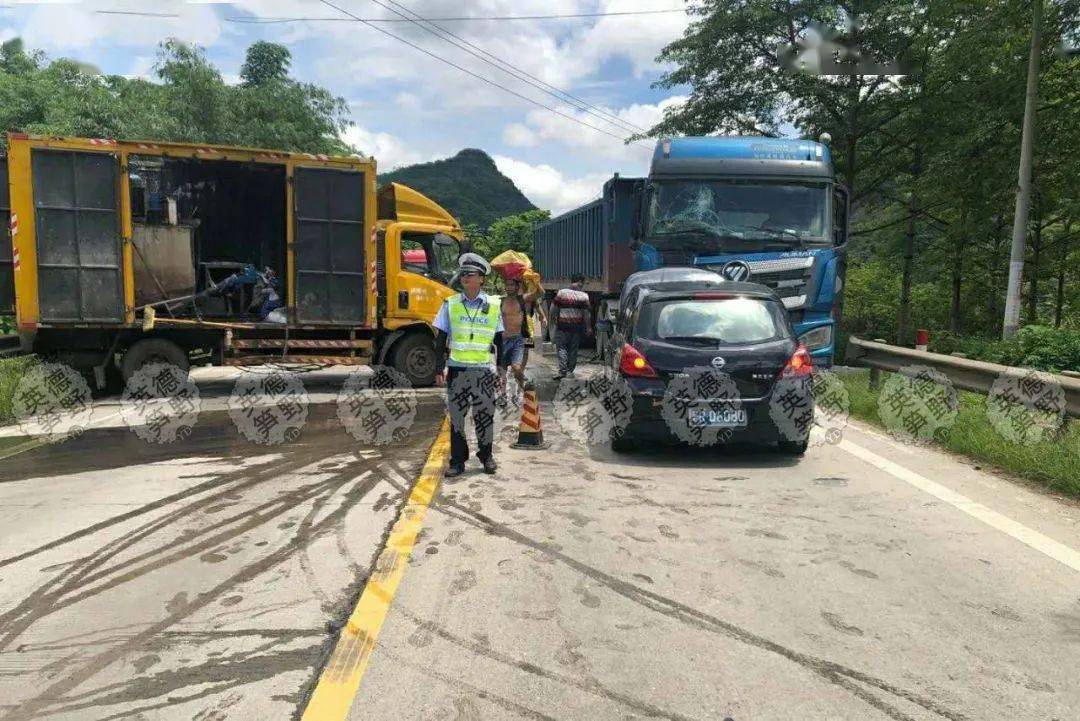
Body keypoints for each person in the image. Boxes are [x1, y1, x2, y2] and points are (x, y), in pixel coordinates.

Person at [433, 253, 506, 477]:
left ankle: (486, 456)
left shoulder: (493, 305)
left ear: (481, 279)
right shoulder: (451, 303)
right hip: (457, 369)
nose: (464, 277)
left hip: (484, 369)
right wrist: (438, 368)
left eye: (470, 274)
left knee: (484, 416)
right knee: (457, 418)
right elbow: (440, 338)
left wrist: (502, 370)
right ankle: (457, 461)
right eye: (462, 274)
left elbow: (499, 340)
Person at [499, 277, 540, 392]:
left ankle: (522, 380)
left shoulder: (525, 298)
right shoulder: (500, 301)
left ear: (518, 287)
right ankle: (503, 394)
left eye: (512, 285)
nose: (509, 287)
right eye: (507, 285)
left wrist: (535, 281)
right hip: (503, 340)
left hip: (525, 332)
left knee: (521, 359)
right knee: (502, 370)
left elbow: (539, 299)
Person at [551, 273, 592, 379]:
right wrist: (588, 327)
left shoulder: (561, 293)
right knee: (573, 349)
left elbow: (553, 309)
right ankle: (570, 370)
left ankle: (562, 371)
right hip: (576, 328)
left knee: (562, 348)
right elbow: (586, 314)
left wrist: (553, 320)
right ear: (580, 282)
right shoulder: (584, 296)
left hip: (562, 326)